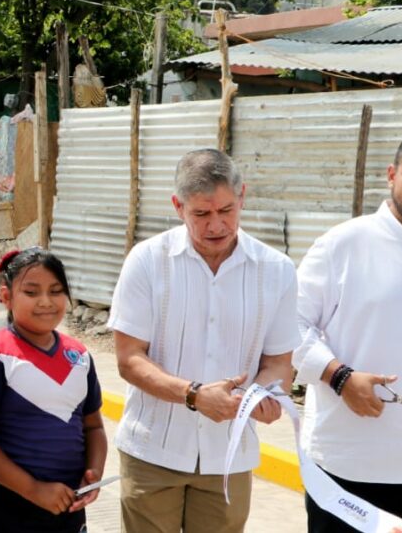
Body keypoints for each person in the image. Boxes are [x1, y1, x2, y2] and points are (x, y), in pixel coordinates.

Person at [108, 148, 298, 533]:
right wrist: (193, 394)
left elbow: (279, 362)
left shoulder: (277, 270)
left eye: (226, 210)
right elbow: (129, 359)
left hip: (228, 459)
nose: (216, 225)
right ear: (178, 206)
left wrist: (261, 398)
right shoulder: (146, 261)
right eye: (201, 214)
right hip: (153, 452)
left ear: (242, 197)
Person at [294, 128, 402, 532]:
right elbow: (287, 326)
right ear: (391, 175)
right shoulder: (342, 245)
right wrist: (339, 376)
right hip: (353, 471)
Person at [0, 248, 107, 533]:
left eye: (56, 291)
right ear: (6, 297)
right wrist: (34, 489)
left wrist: (94, 473)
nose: (45, 302)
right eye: (31, 292)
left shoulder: (79, 357)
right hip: (4, 510)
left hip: (67, 508)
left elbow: (94, 428)